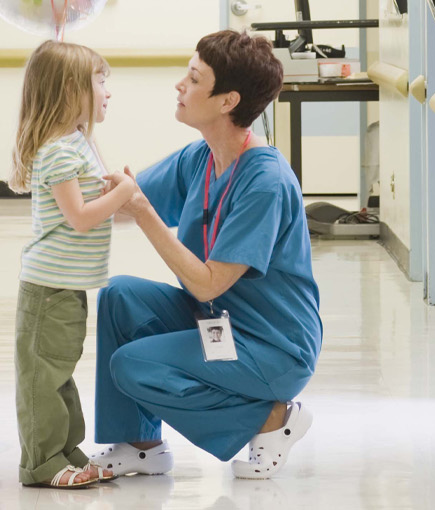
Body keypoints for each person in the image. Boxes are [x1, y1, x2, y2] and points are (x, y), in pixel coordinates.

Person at [88, 30, 323, 481]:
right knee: (119, 296)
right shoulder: (202, 157)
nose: (180, 85)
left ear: (226, 101)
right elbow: (124, 198)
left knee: (134, 365)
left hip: (272, 347)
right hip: (218, 322)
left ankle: (272, 419)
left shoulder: (265, 182)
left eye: (194, 79)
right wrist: (70, 148)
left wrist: (140, 210)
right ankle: (141, 447)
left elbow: (207, 282)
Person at [7, 40, 137, 490]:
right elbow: (80, 218)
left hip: (68, 286)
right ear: (69, 90)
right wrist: (125, 192)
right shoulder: (58, 151)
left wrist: (122, 199)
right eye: (99, 80)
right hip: (47, 289)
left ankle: (65, 451)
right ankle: (42, 462)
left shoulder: (78, 143)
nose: (107, 91)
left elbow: (95, 206)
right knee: (43, 379)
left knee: (59, 374)